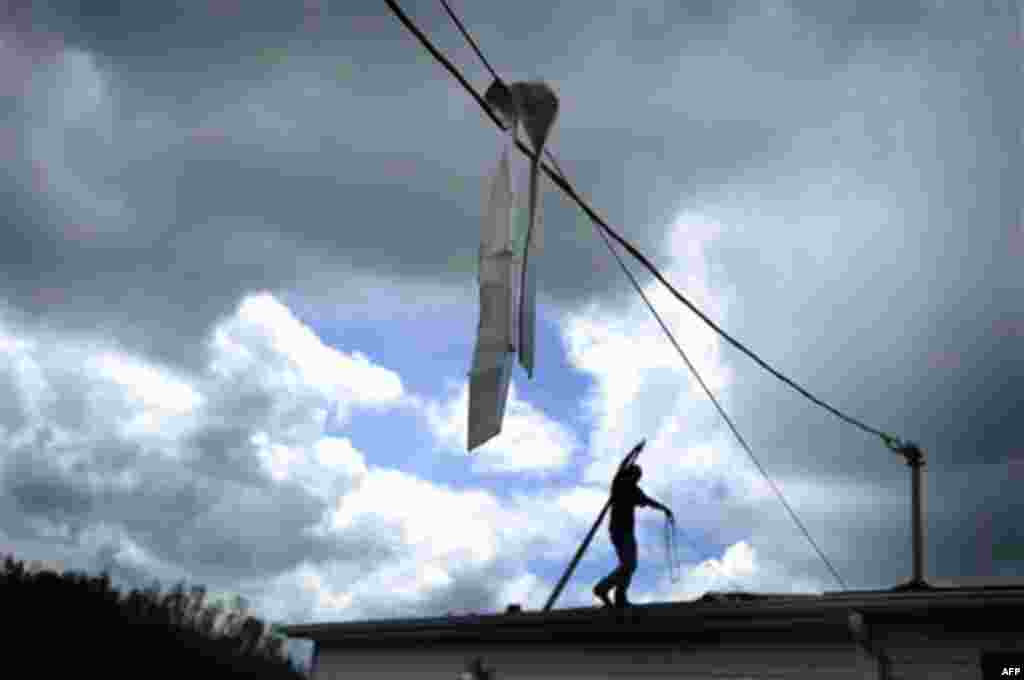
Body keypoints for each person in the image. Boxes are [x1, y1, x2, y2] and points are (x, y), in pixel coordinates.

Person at [593, 462, 673, 608]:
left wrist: (664, 508)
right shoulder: (619, 483)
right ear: (629, 474)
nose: (637, 479)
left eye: (638, 477)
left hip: (626, 531)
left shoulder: (633, 489)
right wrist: (634, 451)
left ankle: (619, 597)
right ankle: (603, 589)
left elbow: (647, 500)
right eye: (635, 476)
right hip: (619, 531)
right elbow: (623, 466)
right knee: (629, 565)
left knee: (629, 565)